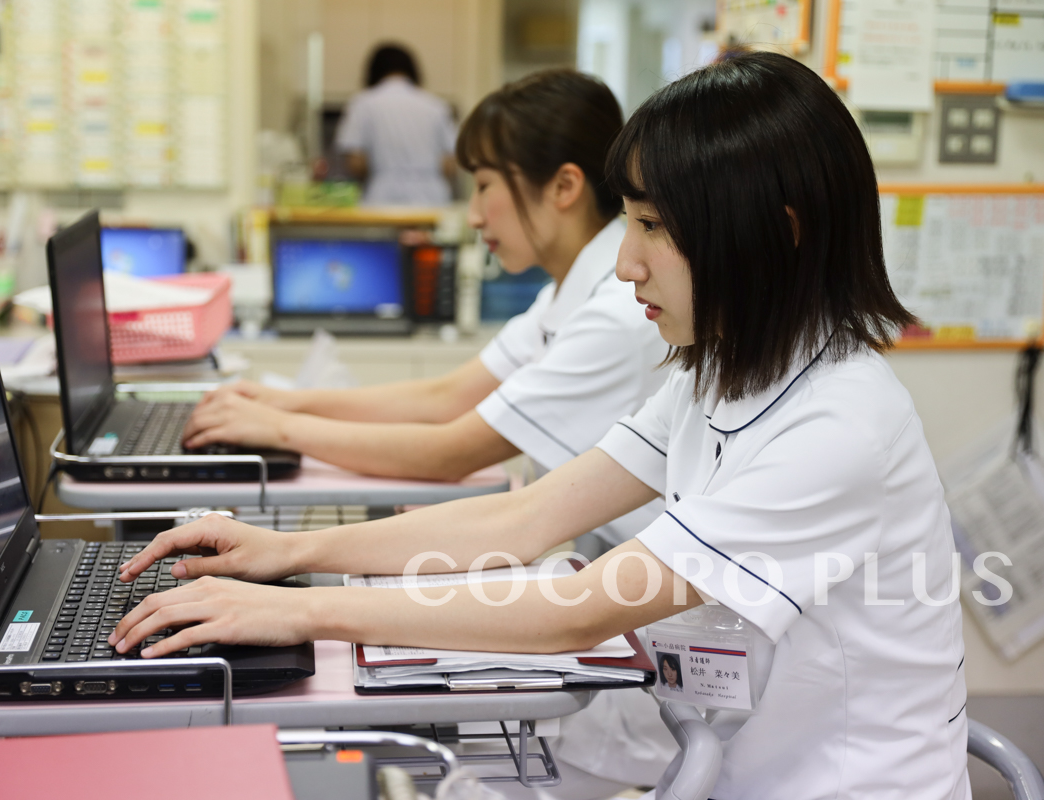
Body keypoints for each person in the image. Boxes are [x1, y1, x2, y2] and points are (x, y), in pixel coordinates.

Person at [114, 52, 968, 799]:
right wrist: (289, 555)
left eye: (654, 227)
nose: (626, 263)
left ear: (778, 235)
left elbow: (579, 610)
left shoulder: (838, 426)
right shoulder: (721, 374)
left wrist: (301, 614)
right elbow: (525, 517)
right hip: (724, 756)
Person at [185, 69, 670, 555]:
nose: (474, 215)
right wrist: (278, 402)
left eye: (484, 185)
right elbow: (444, 397)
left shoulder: (615, 315)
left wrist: (278, 429)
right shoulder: (567, 294)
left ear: (564, 186)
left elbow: (451, 452)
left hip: (641, 576)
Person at [334, 44, 458, 206]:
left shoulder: (363, 103)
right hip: (432, 198)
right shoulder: (436, 105)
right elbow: (450, 164)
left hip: (382, 197)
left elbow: (356, 162)